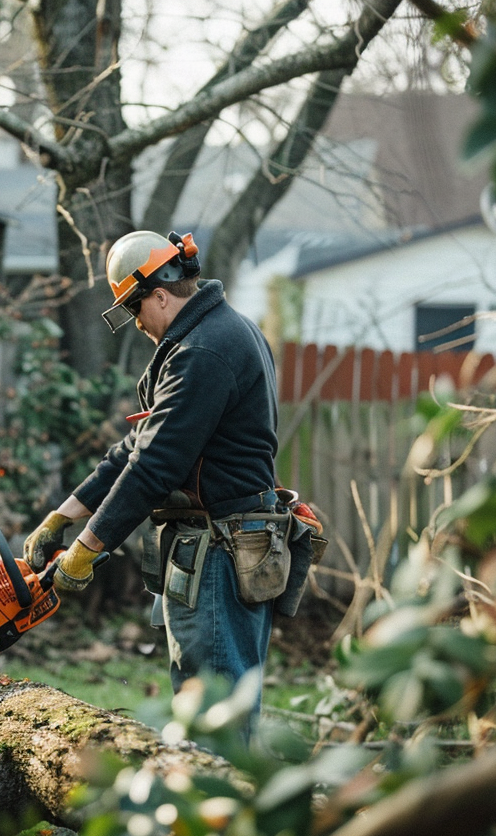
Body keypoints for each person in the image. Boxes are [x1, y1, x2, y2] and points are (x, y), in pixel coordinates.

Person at [23, 230, 311, 732]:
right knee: (203, 699)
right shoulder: (211, 335)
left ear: (160, 293)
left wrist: (89, 548)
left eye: (136, 310)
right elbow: (138, 447)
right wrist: (63, 516)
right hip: (212, 545)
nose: (137, 324)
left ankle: (223, 802)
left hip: (222, 550)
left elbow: (156, 465)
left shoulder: (205, 350)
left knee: (216, 709)